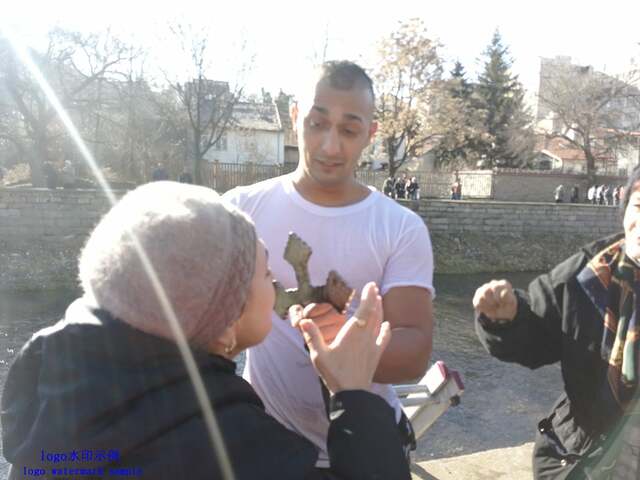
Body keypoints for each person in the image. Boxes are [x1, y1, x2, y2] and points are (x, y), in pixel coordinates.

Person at [1, 181, 411, 480]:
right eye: (265, 274)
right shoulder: (232, 448)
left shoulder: (55, 391)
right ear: (224, 324)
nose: (277, 285)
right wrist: (354, 395)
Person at [223, 60, 434, 467]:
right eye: (317, 124)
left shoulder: (400, 227)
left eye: (349, 130)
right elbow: (201, 324)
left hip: (366, 447)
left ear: (371, 133)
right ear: (295, 117)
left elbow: (414, 352)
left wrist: (348, 350)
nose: (330, 146)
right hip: (267, 444)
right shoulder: (240, 210)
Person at [472, 165, 640, 479]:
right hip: (584, 455)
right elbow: (539, 338)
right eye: (639, 206)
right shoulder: (589, 274)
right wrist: (507, 319)